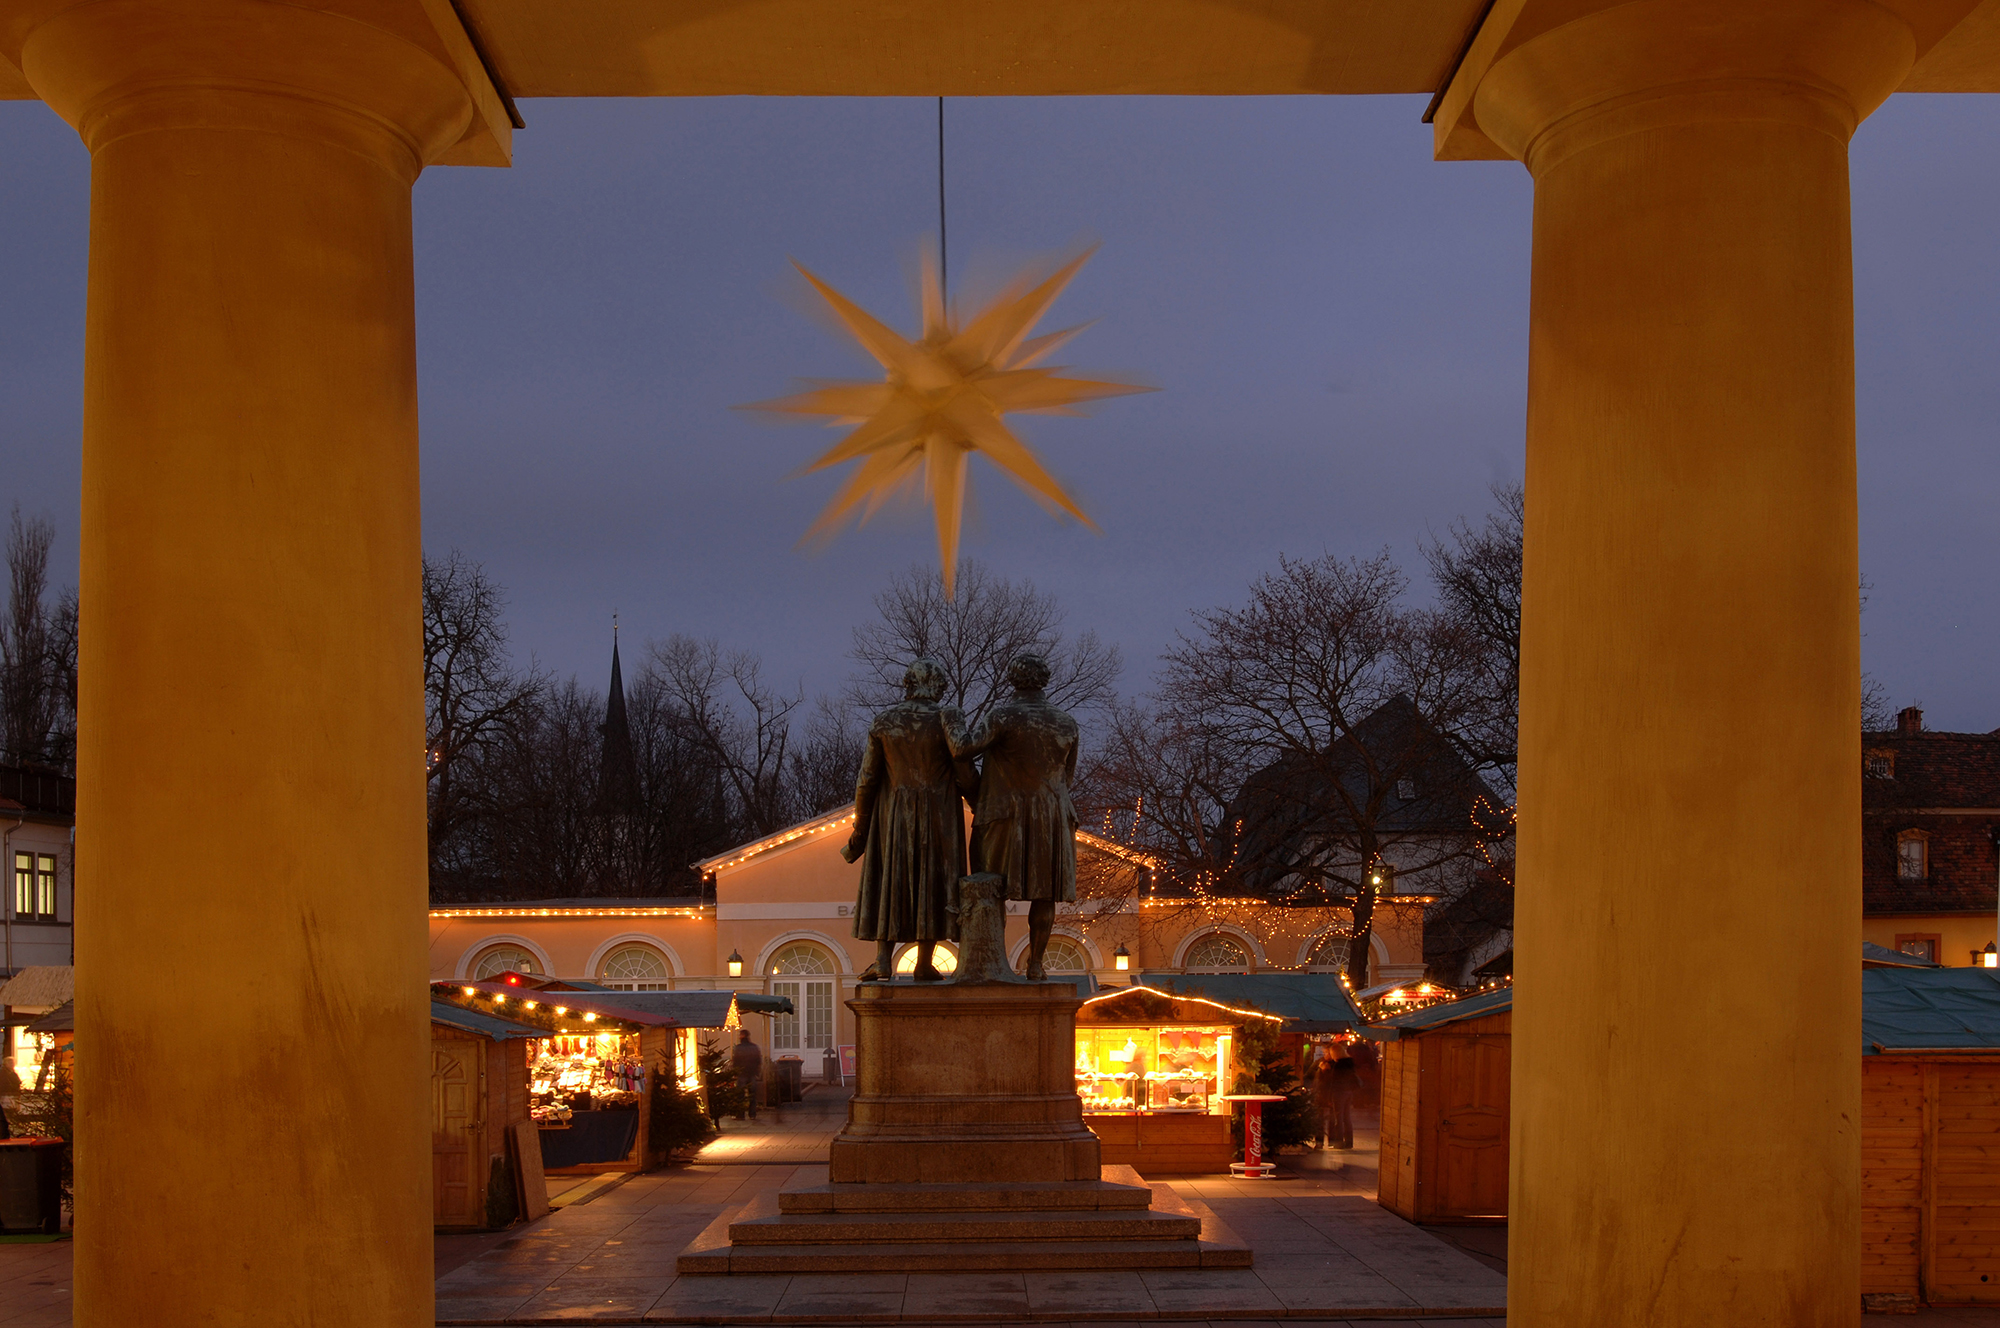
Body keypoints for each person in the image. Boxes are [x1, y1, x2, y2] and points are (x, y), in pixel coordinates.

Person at [941, 654, 1079, 979]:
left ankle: (995, 963)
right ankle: (1036, 965)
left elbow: (962, 749)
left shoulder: (1003, 716)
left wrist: (951, 719)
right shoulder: (1066, 723)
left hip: (1004, 815)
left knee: (991, 887)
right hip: (1052, 816)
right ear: (1043, 680)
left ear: (1013, 680)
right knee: (1044, 894)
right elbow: (1067, 777)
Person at [843, 658, 977, 981]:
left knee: (891, 880)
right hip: (940, 813)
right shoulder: (947, 718)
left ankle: (883, 960)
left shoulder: (885, 722)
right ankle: (923, 962)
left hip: (893, 815)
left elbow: (866, 779)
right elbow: (965, 773)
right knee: (933, 881)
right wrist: (981, 804)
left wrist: (861, 825)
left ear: (908, 685)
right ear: (938, 686)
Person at [1315, 1054, 1363, 1149]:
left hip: (1334, 1094)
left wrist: (1324, 1071)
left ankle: (1335, 1141)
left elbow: (1331, 1081)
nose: (1326, 1054)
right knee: (1342, 1117)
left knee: (1336, 1118)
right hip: (1342, 1093)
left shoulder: (1336, 1065)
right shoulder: (1345, 1064)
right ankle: (1340, 1142)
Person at [730, 1029, 764, 1121]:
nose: (739, 1036)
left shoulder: (738, 1048)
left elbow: (736, 1061)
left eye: (740, 1035)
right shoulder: (754, 1047)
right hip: (752, 1073)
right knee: (752, 1094)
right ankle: (752, 1114)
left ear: (743, 1036)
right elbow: (758, 1060)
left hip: (742, 1073)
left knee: (740, 1095)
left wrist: (735, 1072)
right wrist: (757, 1072)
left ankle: (740, 1115)